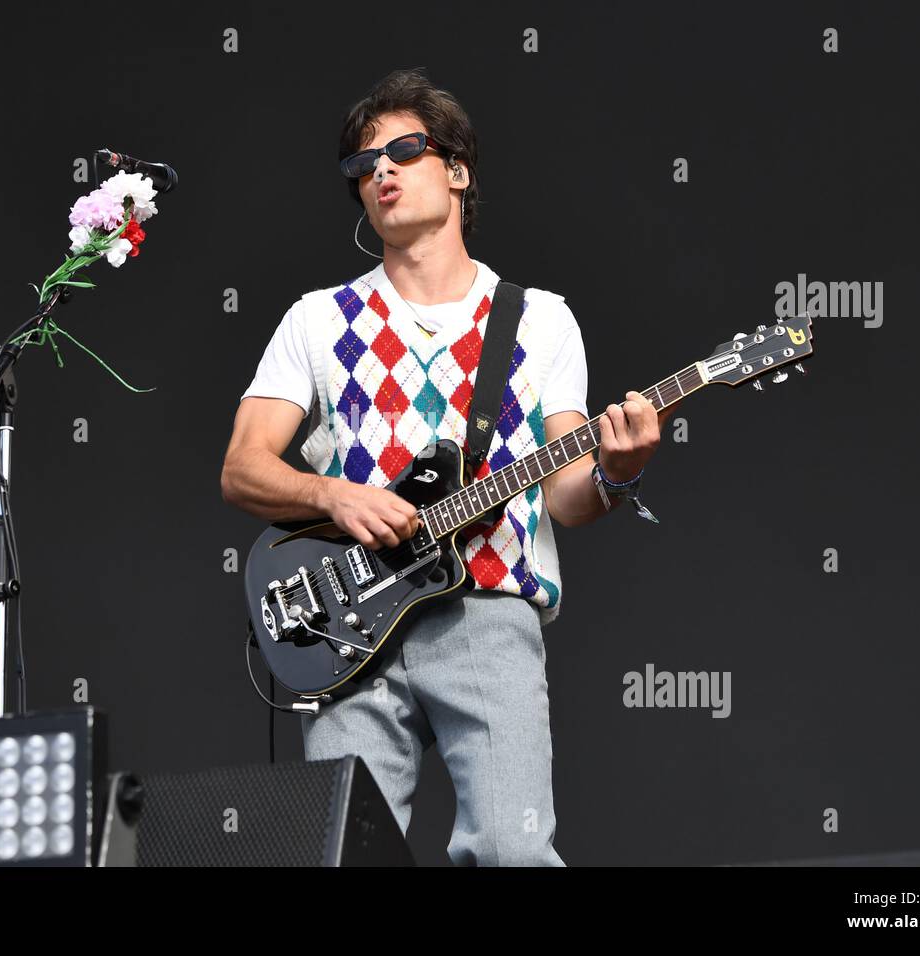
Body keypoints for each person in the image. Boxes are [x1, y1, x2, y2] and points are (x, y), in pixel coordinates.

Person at [220, 68, 669, 865]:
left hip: (486, 619)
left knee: (512, 852)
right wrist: (332, 494)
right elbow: (243, 469)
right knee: (340, 859)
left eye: (404, 150)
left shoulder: (538, 320)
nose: (381, 171)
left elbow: (567, 495)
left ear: (457, 169)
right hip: (347, 628)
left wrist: (617, 472)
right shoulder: (318, 320)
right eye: (364, 165)